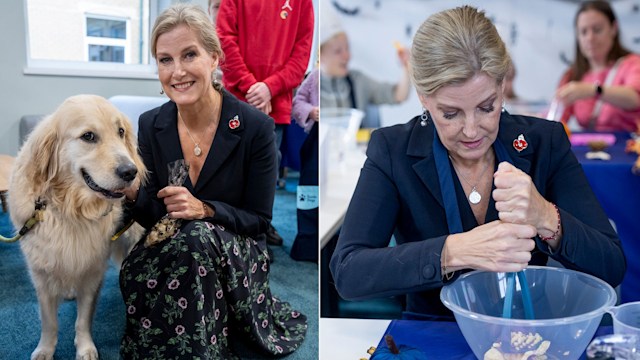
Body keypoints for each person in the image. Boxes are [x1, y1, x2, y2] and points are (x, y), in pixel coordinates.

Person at [330, 5, 626, 320]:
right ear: (423, 97)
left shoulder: (542, 142)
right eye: (450, 113)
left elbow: (611, 265)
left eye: (487, 107)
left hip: (526, 335)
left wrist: (546, 217)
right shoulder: (393, 150)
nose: (472, 130)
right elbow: (348, 273)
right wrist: (453, 252)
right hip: (434, 335)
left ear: (501, 87)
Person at [120, 4, 307, 358]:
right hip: (174, 246)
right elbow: (155, 216)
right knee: (159, 257)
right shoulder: (150, 125)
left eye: (189, 54)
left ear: (214, 58)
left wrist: (204, 209)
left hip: (237, 248)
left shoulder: (255, 127)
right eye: (165, 59)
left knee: (196, 237)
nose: (177, 71)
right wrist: (132, 193)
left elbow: (259, 221)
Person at [216, 0, 315, 243]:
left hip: (275, 102)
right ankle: (229, 228)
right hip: (237, 98)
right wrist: (252, 87)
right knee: (230, 167)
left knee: (267, 170)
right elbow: (224, 41)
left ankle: (260, 226)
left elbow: (301, 55)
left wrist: (270, 88)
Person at [319, 0, 411, 128]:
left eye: (347, 48)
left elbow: (399, 95)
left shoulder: (358, 81)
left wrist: (406, 67)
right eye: (338, 51)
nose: (347, 56)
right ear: (320, 55)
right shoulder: (312, 86)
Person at [555, 0, 640, 132]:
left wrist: (594, 90)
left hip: (629, 148)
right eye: (583, 32)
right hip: (588, 150)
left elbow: (634, 98)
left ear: (613, 29)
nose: (590, 38)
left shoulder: (632, 64)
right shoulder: (572, 75)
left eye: (597, 30)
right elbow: (556, 117)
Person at [290, 66, 319, 262]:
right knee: (310, 191)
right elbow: (297, 101)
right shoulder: (317, 74)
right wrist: (311, 111)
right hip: (316, 138)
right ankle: (307, 242)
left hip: (340, 140)